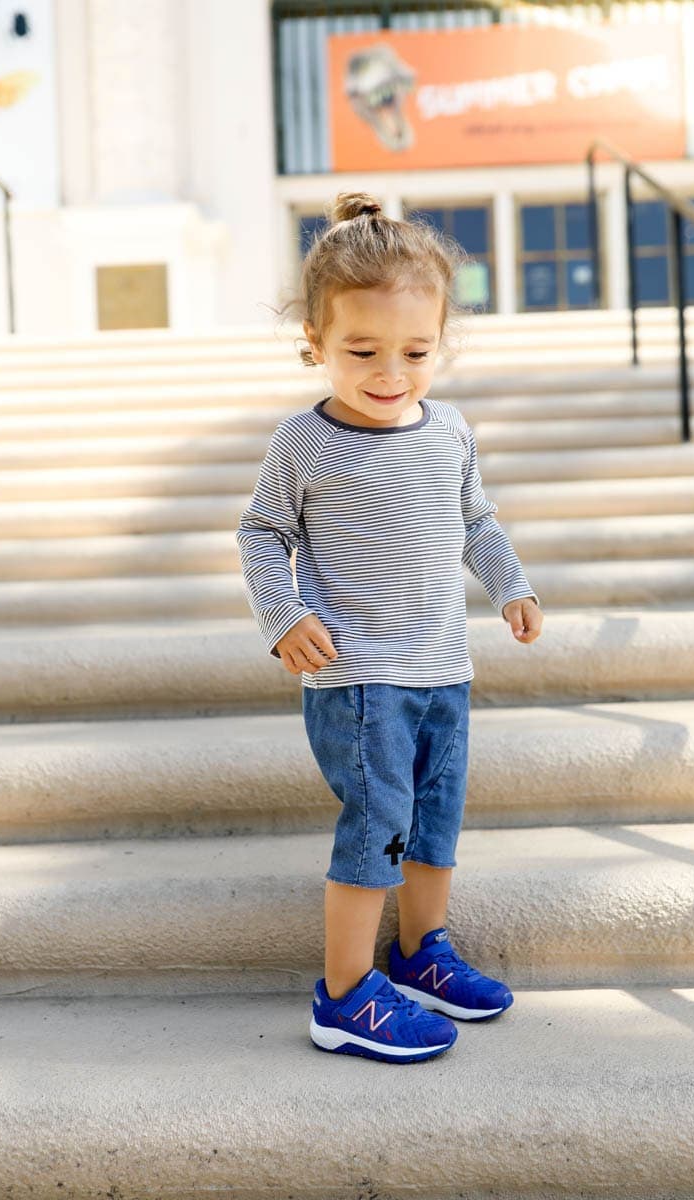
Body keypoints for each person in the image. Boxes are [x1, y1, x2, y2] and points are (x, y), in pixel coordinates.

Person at [236, 191, 543, 1064]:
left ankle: (419, 954)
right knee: (377, 826)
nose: (390, 372)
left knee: (435, 820)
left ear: (441, 342)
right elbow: (262, 533)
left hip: (444, 666)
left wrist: (510, 586)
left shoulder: (449, 429)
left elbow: (476, 521)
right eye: (362, 350)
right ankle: (342, 997)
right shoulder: (305, 442)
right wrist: (282, 613)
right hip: (360, 678)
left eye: (415, 351)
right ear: (317, 346)